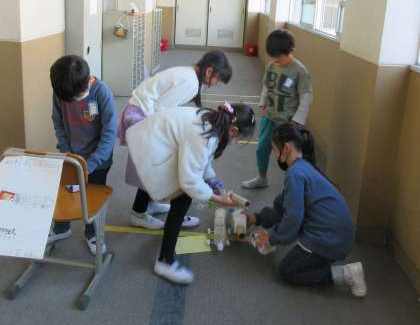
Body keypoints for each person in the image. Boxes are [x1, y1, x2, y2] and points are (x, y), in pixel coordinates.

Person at [126, 102, 256, 284]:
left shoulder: (212, 122)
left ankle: (154, 214)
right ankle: (164, 262)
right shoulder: (205, 135)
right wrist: (218, 199)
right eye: (238, 137)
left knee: (183, 188)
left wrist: (211, 180)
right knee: (183, 197)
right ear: (233, 130)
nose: (236, 141)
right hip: (148, 146)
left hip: (154, 139)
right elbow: (190, 181)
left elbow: (202, 159)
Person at [246, 123, 367, 297]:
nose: (274, 155)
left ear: (286, 148)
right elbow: (283, 206)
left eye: (274, 150)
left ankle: (345, 273)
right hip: (337, 233)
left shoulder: (295, 174)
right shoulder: (303, 166)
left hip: (329, 238)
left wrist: (272, 238)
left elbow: (293, 217)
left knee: (287, 271)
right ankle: (317, 259)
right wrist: (257, 218)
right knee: (284, 212)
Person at [118, 50, 232, 230]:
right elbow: (162, 111)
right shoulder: (191, 82)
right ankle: (138, 214)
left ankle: (149, 204)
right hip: (141, 116)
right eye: (218, 80)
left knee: (156, 165)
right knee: (160, 166)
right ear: (209, 71)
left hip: (141, 111)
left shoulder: (190, 75)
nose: (216, 84)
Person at [48, 55, 117, 255]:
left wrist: (91, 163)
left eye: (76, 98)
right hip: (72, 156)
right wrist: (66, 151)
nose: (72, 102)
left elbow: (109, 133)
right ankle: (62, 228)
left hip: (99, 160)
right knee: (68, 191)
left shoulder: (101, 93)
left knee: (92, 197)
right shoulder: (61, 91)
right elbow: (58, 122)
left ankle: (92, 233)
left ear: (88, 81)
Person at [242, 29, 312, 189]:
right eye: (273, 57)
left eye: (280, 57)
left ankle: (294, 185)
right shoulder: (272, 66)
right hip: (270, 117)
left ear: (291, 50)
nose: (276, 60)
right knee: (262, 149)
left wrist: (296, 121)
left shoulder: (300, 71)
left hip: (287, 122)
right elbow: (267, 87)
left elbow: (306, 98)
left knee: (289, 155)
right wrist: (262, 103)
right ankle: (262, 177)